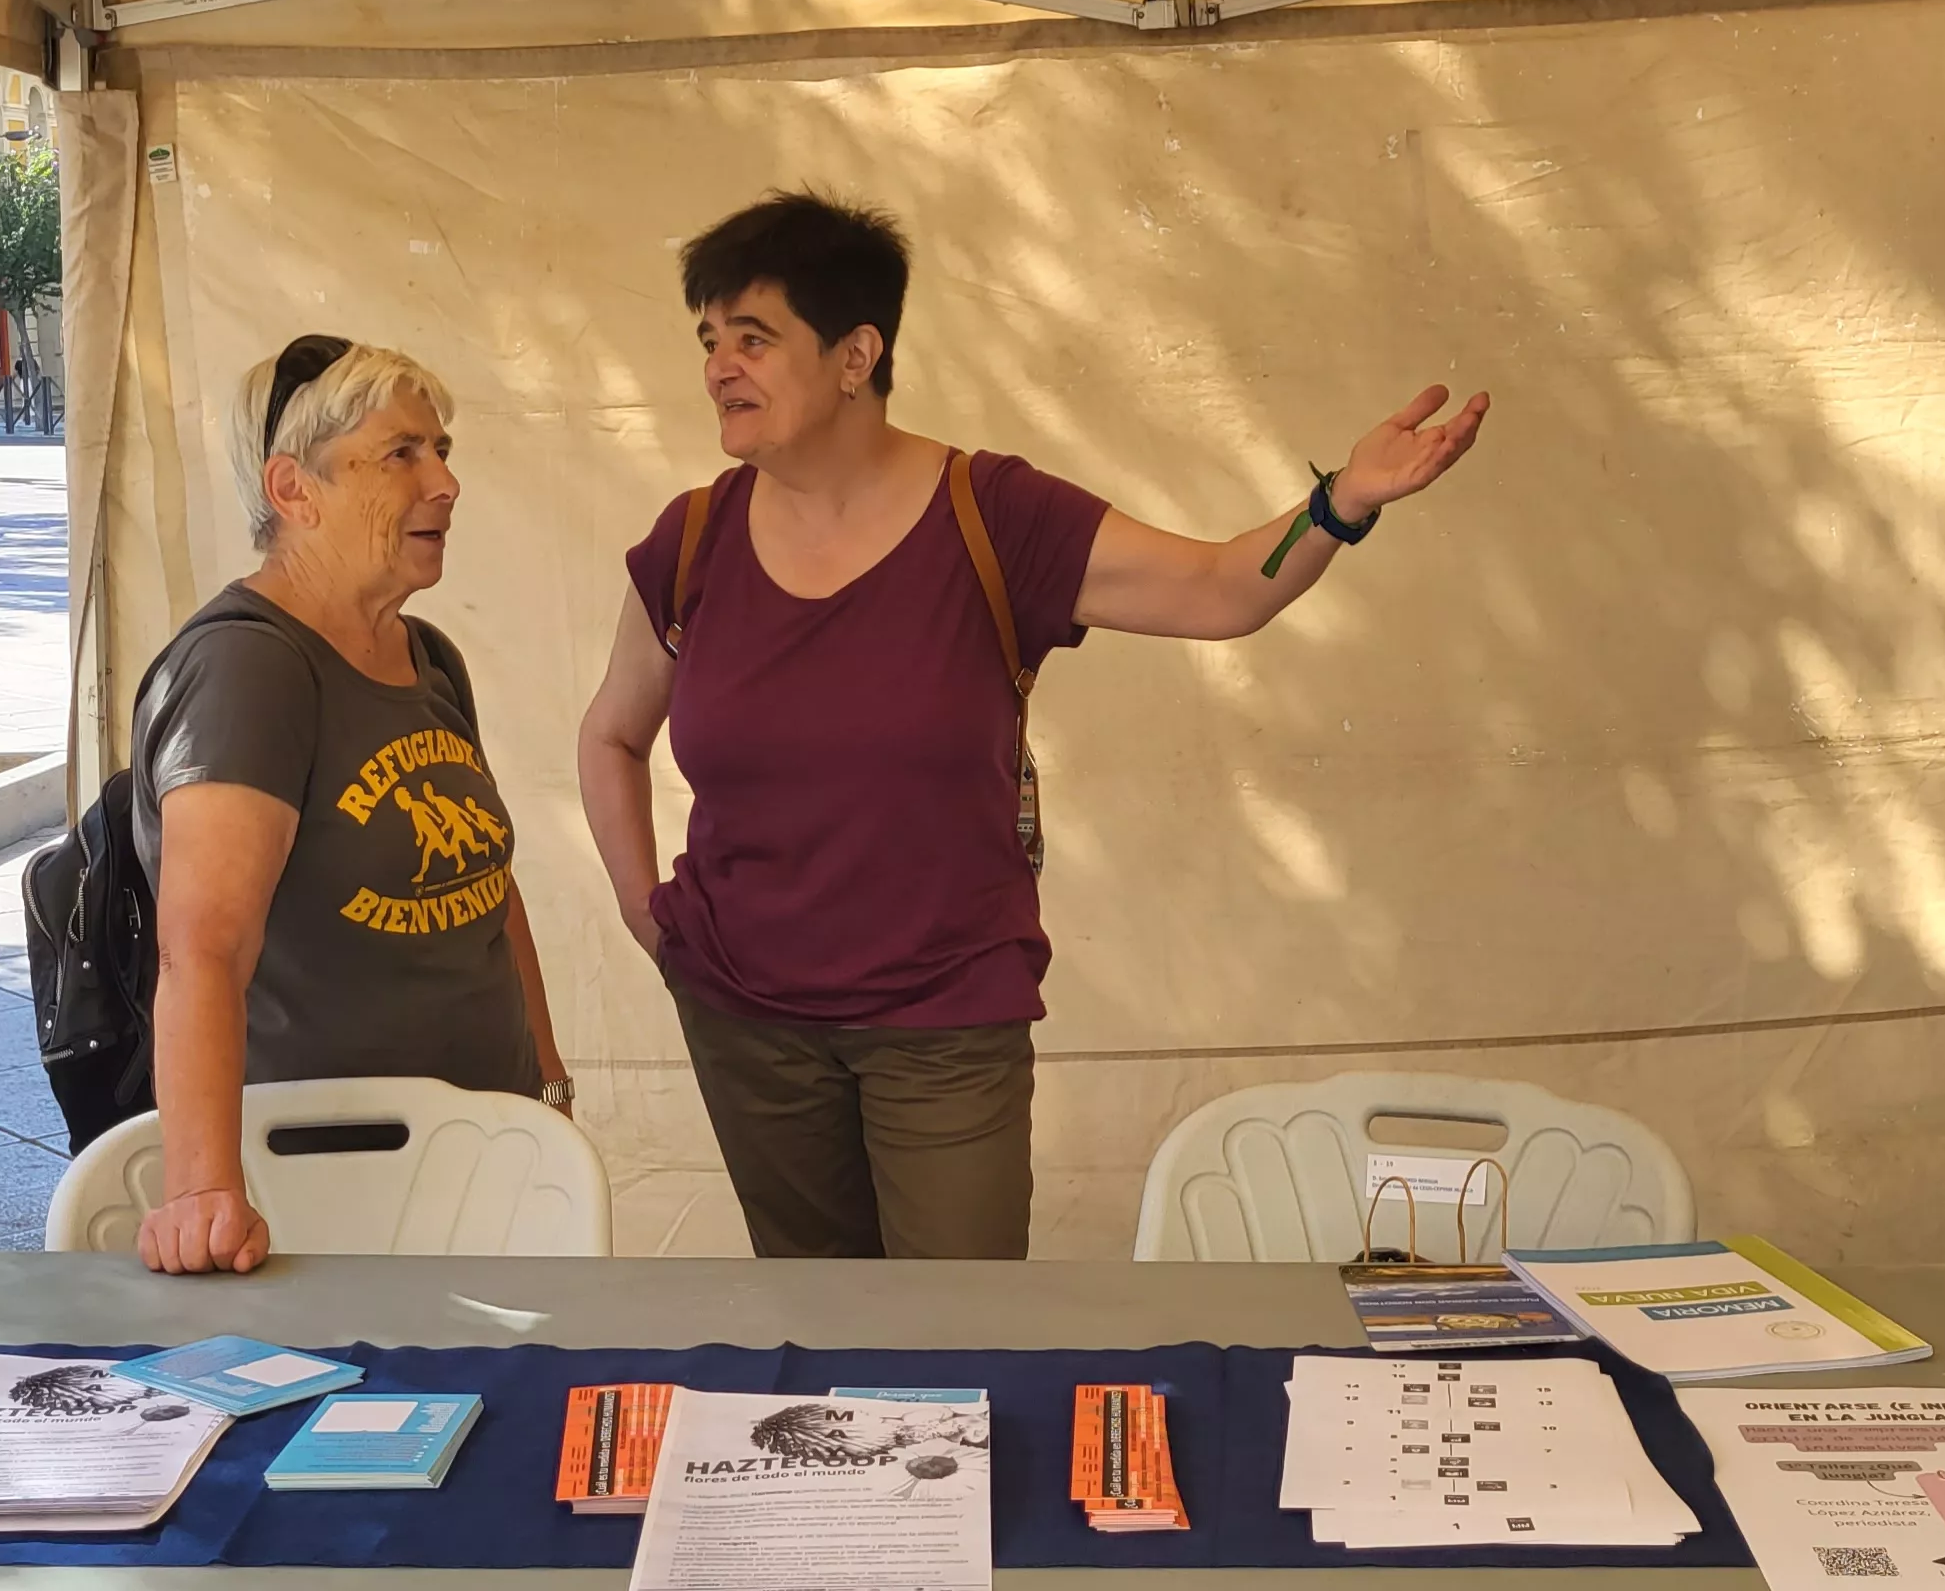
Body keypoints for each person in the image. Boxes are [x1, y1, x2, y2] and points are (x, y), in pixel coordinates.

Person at [575, 193, 1489, 1261]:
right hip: (745, 1022)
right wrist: (650, 920)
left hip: (943, 1021)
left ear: (855, 354)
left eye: (754, 338)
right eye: (708, 341)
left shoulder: (991, 515)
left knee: (959, 1335)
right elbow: (612, 735)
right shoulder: (691, 541)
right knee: (818, 1334)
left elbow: (1218, 590)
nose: (720, 368)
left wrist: (1339, 503)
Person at [130, 335, 574, 1276]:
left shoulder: (429, 658)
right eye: (402, 453)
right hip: (330, 1179)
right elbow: (201, 946)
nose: (445, 482)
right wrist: (202, 1191)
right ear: (294, 490)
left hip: (482, 1153)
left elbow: (490, 885)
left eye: (442, 449)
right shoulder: (248, 668)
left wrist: (545, 1080)